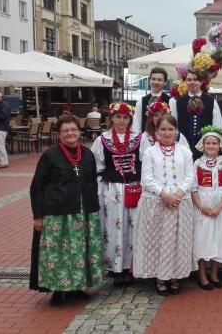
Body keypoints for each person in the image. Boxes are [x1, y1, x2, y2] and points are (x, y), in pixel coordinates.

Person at [29, 114, 103, 306]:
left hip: (84, 211)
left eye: (73, 129)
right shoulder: (50, 155)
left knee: (80, 251)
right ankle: (58, 290)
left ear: (79, 131)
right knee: (59, 253)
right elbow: (37, 187)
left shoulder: (87, 154)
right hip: (58, 214)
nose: (70, 133)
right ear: (59, 134)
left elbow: (92, 181)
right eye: (65, 130)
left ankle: (77, 287)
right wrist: (38, 216)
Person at [134, 115, 195, 296]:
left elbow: (190, 176)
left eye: (170, 129)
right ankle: (160, 278)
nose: (167, 133)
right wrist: (165, 195)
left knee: (177, 241)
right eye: (163, 129)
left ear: (176, 130)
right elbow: (146, 178)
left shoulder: (184, 151)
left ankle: (175, 276)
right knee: (158, 241)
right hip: (156, 203)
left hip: (180, 203)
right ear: (157, 131)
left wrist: (179, 193)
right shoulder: (150, 152)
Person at [91, 103, 149, 287]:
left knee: (133, 226)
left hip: (134, 187)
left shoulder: (139, 138)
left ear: (130, 120)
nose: (121, 121)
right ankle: (116, 269)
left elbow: (146, 162)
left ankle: (131, 268)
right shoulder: (102, 140)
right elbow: (97, 164)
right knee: (113, 227)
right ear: (112, 119)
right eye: (118, 117)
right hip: (112, 189)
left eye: (125, 118)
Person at [191, 126, 222, 291]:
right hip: (202, 206)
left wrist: (219, 207)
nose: (211, 146)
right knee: (202, 239)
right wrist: (200, 206)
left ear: (220, 145)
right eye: (208, 143)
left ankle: (215, 273)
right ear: (203, 145)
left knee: (218, 238)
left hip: (220, 207)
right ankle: (202, 274)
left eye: (214, 143)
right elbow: (193, 188)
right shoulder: (197, 163)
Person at [172, 69, 222, 160]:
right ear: (185, 82)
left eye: (195, 80)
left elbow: (218, 125)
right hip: (183, 146)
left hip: (205, 148)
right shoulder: (178, 101)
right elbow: (173, 124)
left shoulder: (211, 101)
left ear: (201, 82)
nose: (192, 82)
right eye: (189, 80)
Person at [131, 67, 171, 133]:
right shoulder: (141, 101)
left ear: (165, 82)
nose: (156, 82)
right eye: (153, 79)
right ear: (150, 80)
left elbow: (174, 123)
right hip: (145, 139)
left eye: (159, 80)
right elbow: (136, 124)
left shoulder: (171, 101)